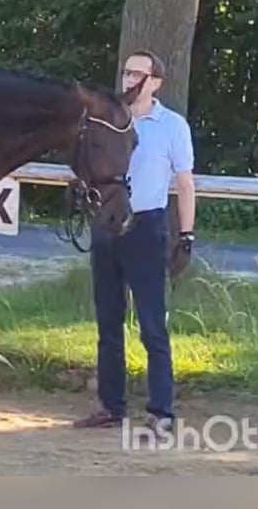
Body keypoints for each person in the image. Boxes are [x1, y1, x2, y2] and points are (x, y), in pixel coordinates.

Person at [72, 49, 196, 438]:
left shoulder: (172, 126)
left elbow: (185, 182)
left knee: (152, 325)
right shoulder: (107, 120)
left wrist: (186, 235)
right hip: (107, 225)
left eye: (137, 74)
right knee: (108, 323)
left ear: (156, 81)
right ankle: (111, 406)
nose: (129, 80)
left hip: (147, 227)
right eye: (126, 73)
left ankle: (162, 411)